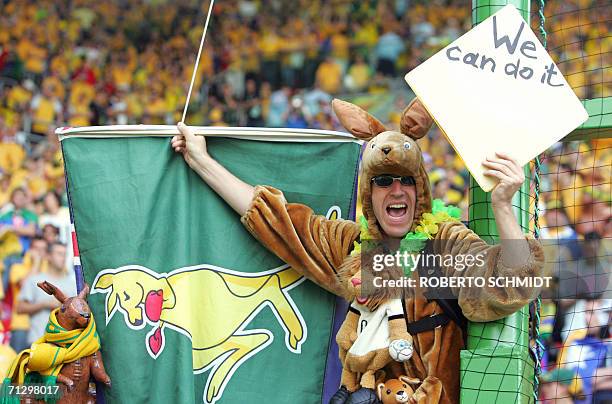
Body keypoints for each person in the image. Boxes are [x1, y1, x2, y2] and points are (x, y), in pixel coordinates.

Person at [171, 97, 544, 403]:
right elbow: (280, 222)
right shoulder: (352, 247)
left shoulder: (443, 241)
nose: (396, 191)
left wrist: (502, 206)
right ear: (369, 192)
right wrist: (202, 161)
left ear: (421, 191)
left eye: (406, 181)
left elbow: (503, 286)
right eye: (383, 181)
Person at [16, 242, 76, 347]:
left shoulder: (73, 283)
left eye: (64, 254)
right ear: (48, 256)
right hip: (38, 341)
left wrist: (66, 304)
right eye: (59, 254)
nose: (63, 258)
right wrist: (44, 304)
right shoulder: (34, 280)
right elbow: (20, 308)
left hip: (65, 343)